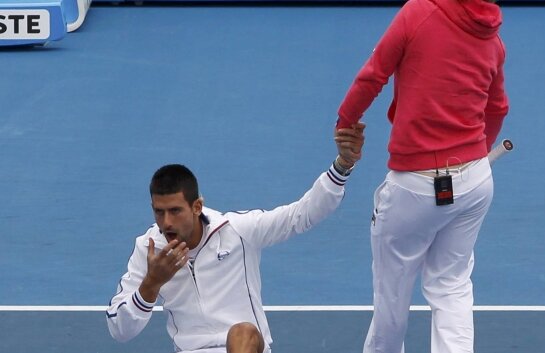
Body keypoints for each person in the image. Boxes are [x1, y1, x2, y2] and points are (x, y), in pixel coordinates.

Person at [336, 0, 509, 352]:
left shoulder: (417, 13)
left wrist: (345, 123)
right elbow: (498, 107)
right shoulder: (493, 40)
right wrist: (475, 154)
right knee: (452, 287)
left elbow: (373, 74)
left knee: (392, 298)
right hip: (475, 183)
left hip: (414, 188)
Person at [106, 123, 365, 353]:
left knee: (243, 332)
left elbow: (301, 215)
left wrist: (342, 166)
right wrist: (150, 285)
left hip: (245, 347)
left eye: (175, 211)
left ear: (197, 207)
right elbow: (119, 329)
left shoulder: (238, 230)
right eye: (159, 212)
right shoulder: (149, 250)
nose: (166, 222)